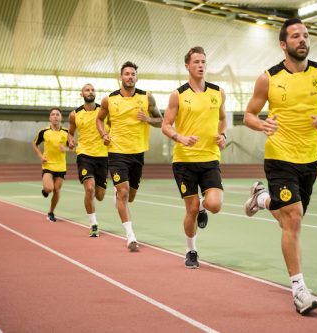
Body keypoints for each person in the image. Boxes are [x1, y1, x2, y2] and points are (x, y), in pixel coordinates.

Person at [243, 18, 317, 315]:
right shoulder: (268, 78)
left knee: (289, 219)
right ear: (283, 44)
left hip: (310, 159)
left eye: (306, 35)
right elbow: (249, 114)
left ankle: (261, 199)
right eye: (296, 36)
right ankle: (299, 289)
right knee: (294, 219)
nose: (303, 40)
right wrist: (261, 123)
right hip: (279, 156)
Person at [161, 46, 227, 269]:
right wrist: (179, 137)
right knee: (190, 208)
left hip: (210, 158)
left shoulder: (218, 92)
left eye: (203, 62)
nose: (201, 65)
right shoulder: (178, 95)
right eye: (196, 62)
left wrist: (223, 134)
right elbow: (165, 125)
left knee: (215, 205)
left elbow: (223, 119)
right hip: (184, 161)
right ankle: (191, 251)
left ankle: (203, 208)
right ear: (187, 66)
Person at [96, 61, 162, 252]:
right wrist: (103, 135)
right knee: (123, 193)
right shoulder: (109, 99)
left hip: (137, 153)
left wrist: (148, 119)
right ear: (121, 77)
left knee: (130, 197)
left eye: (133, 74)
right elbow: (99, 119)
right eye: (126, 74)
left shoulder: (146, 97)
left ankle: (119, 196)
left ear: (136, 77)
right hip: (116, 152)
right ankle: (131, 237)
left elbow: (161, 121)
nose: (130, 77)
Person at [67, 83, 109, 237]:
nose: (90, 92)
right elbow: (70, 133)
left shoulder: (104, 111)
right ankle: (93, 224)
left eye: (92, 90)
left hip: (103, 156)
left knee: (100, 195)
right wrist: (70, 141)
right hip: (84, 155)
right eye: (87, 90)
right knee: (89, 189)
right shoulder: (74, 114)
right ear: (81, 94)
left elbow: (115, 127)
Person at [32, 107, 69, 223]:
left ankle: (51, 212)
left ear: (61, 117)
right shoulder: (44, 132)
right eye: (53, 115)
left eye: (57, 114)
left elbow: (73, 146)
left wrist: (66, 148)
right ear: (50, 118)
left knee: (57, 190)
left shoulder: (66, 132)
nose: (55, 116)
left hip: (61, 166)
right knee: (49, 188)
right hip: (48, 165)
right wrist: (40, 156)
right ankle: (46, 190)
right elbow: (34, 144)